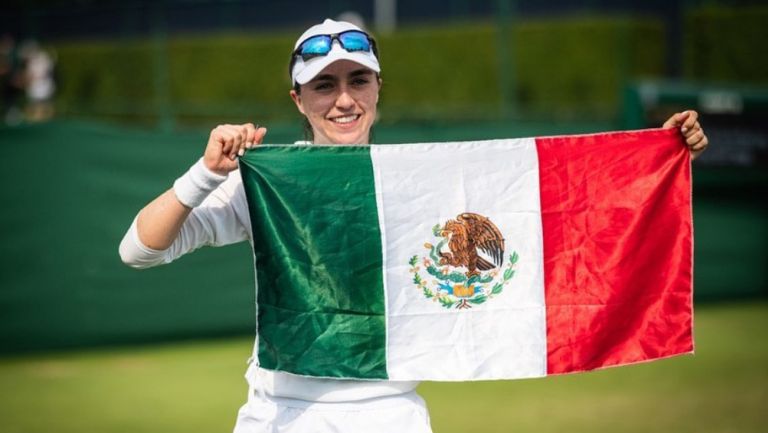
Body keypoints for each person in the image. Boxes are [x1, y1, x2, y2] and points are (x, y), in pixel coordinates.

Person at [119, 18, 709, 433]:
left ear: (378, 89)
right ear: (298, 99)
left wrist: (662, 154)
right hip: (279, 416)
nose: (343, 99)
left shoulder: (423, 182)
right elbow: (137, 251)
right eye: (324, 84)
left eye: (357, 81)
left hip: (390, 415)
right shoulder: (267, 181)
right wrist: (204, 171)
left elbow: (570, 205)